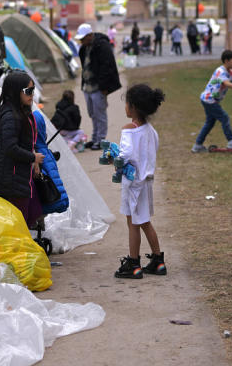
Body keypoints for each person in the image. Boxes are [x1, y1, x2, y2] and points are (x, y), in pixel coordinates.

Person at [114, 83, 167, 279]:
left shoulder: (129, 129)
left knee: (133, 224)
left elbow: (125, 154)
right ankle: (158, 260)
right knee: (145, 221)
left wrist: (114, 159)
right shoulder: (150, 130)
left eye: (126, 103)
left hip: (133, 183)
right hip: (147, 182)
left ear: (133, 107)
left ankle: (133, 263)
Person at [0, 71, 45, 225]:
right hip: (11, 180)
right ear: (15, 91)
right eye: (28, 91)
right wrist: (33, 157)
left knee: (20, 221)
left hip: (17, 176)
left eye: (33, 90)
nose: (32, 95)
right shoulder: (10, 115)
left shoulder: (20, 111)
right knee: (17, 224)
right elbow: (10, 148)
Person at [191, 50, 232, 152]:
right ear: (226, 61)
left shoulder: (230, 72)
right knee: (224, 117)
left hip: (210, 99)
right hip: (209, 100)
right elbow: (227, 84)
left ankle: (197, 145)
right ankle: (231, 142)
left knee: (210, 122)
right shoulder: (221, 71)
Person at [75, 23, 122, 149]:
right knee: (92, 113)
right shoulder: (84, 48)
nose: (81, 41)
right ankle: (94, 138)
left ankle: (101, 140)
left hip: (99, 87)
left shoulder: (102, 45)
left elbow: (107, 67)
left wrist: (105, 87)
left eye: (83, 38)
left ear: (90, 35)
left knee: (99, 114)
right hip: (87, 87)